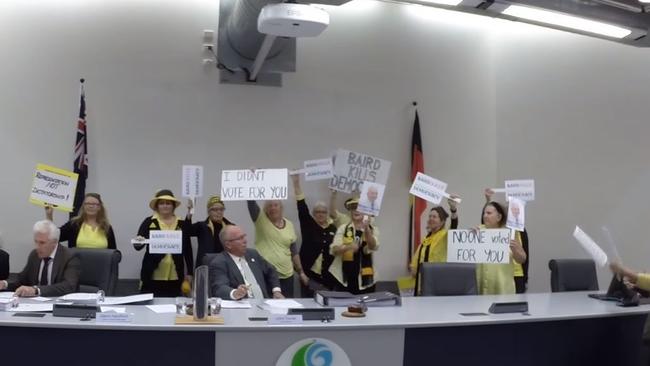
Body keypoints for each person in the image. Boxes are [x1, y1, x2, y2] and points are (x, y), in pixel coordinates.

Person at [135, 189, 193, 297]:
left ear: (173, 206)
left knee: (172, 308)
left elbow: (187, 248)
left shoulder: (181, 223)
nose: (165, 206)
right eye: (162, 203)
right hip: (152, 275)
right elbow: (138, 246)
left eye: (168, 203)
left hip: (175, 275)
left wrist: (190, 272)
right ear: (157, 206)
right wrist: (138, 241)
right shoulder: (149, 222)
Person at [0, 220, 80, 297]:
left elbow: (68, 286)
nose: (37, 247)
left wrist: (37, 290)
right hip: (34, 305)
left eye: (42, 243)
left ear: (54, 242)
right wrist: (5, 284)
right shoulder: (34, 255)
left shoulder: (69, 257)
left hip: (59, 306)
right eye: (36, 242)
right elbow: (22, 280)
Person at [291, 174, 337, 297]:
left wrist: (334, 195)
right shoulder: (309, 225)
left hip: (328, 279)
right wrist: (296, 183)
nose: (321, 214)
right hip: (309, 276)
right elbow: (301, 205)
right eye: (318, 212)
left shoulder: (333, 228)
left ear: (327, 214)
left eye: (323, 212)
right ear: (313, 213)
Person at [208, 225, 284, 300]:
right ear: (228, 245)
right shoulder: (219, 262)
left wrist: (276, 291)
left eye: (244, 236)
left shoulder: (253, 254)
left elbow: (271, 270)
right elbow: (219, 287)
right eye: (240, 238)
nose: (245, 241)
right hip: (242, 305)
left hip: (264, 302)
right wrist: (235, 293)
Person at [247, 196, 302, 298]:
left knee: (287, 307)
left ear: (281, 207)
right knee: (267, 307)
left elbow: (294, 251)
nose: (273, 208)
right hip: (266, 275)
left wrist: (301, 272)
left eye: (276, 205)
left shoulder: (289, 224)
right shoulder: (260, 219)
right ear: (266, 209)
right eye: (270, 206)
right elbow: (251, 204)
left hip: (287, 276)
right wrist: (250, 190)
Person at [410, 195, 459, 296]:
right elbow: (416, 262)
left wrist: (453, 210)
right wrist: (414, 270)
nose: (431, 219)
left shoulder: (444, 236)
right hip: (422, 285)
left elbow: (454, 226)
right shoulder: (426, 239)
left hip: (437, 284)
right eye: (430, 216)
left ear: (442, 221)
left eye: (434, 217)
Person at [329, 198, 379, 294]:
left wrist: (367, 229)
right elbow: (334, 250)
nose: (356, 210)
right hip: (343, 279)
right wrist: (348, 247)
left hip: (366, 279)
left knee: (366, 308)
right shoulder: (343, 228)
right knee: (342, 308)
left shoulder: (373, 229)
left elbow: (373, 246)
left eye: (360, 208)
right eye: (353, 208)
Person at [475, 201, 527, 295]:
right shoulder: (478, 230)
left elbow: (522, 259)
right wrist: (470, 238)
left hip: (503, 285)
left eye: (489, 213)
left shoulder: (510, 233)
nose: (485, 216)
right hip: (482, 284)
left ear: (499, 217)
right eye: (484, 213)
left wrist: (515, 249)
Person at [485, 188, 530, 293]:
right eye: (509, 208)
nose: (512, 211)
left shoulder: (520, 230)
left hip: (516, 273)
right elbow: (486, 222)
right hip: (501, 273)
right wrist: (488, 200)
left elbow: (525, 255)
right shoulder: (498, 228)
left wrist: (525, 278)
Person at [45, 193, 117, 249]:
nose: (91, 206)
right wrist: (49, 215)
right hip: (76, 266)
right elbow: (54, 237)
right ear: (83, 206)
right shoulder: (74, 224)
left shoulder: (107, 227)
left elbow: (113, 253)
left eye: (94, 204)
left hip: (101, 267)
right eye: (87, 203)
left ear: (99, 207)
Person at [187, 195, 234, 268]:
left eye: (221, 209)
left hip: (226, 266)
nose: (219, 212)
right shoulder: (201, 226)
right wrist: (190, 213)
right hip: (206, 266)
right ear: (208, 211)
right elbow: (187, 231)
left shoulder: (231, 227)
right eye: (215, 209)